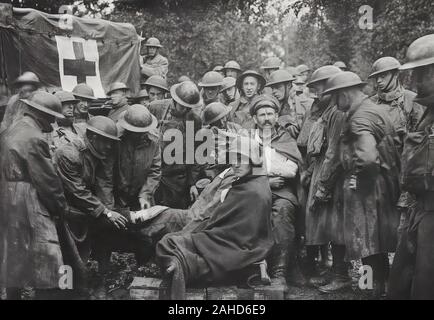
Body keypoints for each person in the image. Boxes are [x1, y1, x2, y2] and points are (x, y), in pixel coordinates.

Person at [156, 136, 274, 300]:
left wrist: (201, 233)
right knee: (173, 242)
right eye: (233, 158)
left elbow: (231, 228)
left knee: (169, 243)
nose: (236, 164)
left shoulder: (252, 191)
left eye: (241, 159)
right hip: (234, 243)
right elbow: (227, 220)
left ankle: (179, 265)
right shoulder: (253, 181)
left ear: (253, 160)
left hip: (235, 246)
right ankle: (179, 264)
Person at [322, 71, 401, 297]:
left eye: (335, 97)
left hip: (371, 188)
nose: (335, 104)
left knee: (367, 243)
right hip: (385, 183)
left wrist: (359, 183)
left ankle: (369, 289)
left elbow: (367, 158)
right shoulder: (375, 109)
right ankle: (380, 288)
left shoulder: (358, 118)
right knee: (378, 243)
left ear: (345, 94)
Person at [0, 91, 67, 299]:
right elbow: (47, 181)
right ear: (42, 115)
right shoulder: (35, 137)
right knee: (48, 257)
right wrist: (60, 208)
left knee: (14, 255)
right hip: (27, 197)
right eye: (53, 116)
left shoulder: (12, 129)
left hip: (7, 195)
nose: (54, 122)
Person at [388, 34, 434, 300]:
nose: (414, 82)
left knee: (425, 282)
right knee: (402, 279)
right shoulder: (428, 110)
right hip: (420, 207)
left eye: (421, 73)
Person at [302, 65, 350, 292]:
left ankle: (341, 274)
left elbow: (334, 152)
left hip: (334, 177)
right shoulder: (326, 111)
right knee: (327, 224)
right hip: (323, 171)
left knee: (337, 225)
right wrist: (312, 172)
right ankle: (334, 272)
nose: (316, 92)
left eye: (320, 87)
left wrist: (323, 186)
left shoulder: (338, 113)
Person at [249, 94, 304, 289]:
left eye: (270, 114)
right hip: (253, 191)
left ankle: (280, 271)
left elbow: (291, 170)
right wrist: (266, 179)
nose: (266, 118)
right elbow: (239, 169)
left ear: (276, 116)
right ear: (255, 118)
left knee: (282, 213)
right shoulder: (247, 139)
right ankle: (251, 268)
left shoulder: (285, 138)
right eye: (262, 114)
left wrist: (259, 170)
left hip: (282, 192)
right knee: (244, 214)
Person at [148, 81, 204, 209]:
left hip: (177, 179)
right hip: (152, 174)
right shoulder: (155, 108)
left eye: (188, 107)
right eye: (182, 105)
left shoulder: (194, 120)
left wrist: (192, 183)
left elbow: (195, 154)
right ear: (174, 99)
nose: (185, 109)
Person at [368, 56, 425, 152]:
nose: (378, 81)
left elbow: (421, 137)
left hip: (406, 158)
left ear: (396, 75)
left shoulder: (412, 99)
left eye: (383, 76)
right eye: (377, 77)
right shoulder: (370, 103)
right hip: (379, 160)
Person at [115, 104, 161, 211]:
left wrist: (145, 195)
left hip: (141, 195)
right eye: (134, 132)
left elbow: (155, 171)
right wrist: (108, 208)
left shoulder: (154, 140)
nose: (138, 135)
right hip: (117, 196)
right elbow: (105, 176)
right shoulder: (115, 137)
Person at [265, 69, 313, 139]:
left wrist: (283, 121)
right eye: (272, 88)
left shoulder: (305, 104)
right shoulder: (276, 105)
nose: (274, 91)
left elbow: (301, 134)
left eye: (278, 87)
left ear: (288, 85)